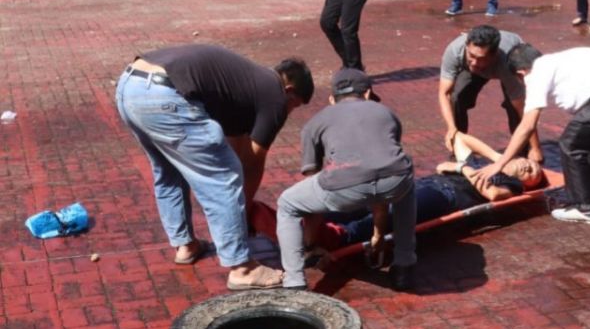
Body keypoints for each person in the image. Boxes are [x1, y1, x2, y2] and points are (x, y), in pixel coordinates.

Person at [114, 45, 313, 290]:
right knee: (223, 179)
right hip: (165, 94)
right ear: (290, 89)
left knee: (168, 172)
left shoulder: (244, 85)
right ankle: (242, 268)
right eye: (295, 105)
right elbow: (251, 164)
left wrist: (241, 209)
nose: (290, 111)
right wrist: (245, 213)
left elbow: (238, 145)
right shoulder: (275, 95)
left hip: (130, 85)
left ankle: (185, 245)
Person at [478, 44, 590, 224]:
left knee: (570, 144)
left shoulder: (537, 73)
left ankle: (584, 207)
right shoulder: (563, 59)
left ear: (521, 73)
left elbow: (527, 125)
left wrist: (500, 163)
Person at [277, 69, 415, 290]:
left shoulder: (316, 122)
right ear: (368, 94)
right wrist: (378, 233)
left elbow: (312, 187)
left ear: (332, 99)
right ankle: (404, 265)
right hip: (395, 180)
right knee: (405, 186)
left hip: (344, 185)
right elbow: (380, 171)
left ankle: (294, 282)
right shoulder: (386, 112)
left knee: (287, 204)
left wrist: (312, 243)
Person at [333, 131, 544, 248]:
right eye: (531, 165)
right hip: (426, 182)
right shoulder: (488, 164)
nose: (529, 168)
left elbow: (493, 194)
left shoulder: (512, 184)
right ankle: (322, 218)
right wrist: (499, 159)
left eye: (532, 175)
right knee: (372, 197)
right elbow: (460, 137)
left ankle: (340, 235)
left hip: (446, 196)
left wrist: (463, 167)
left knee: (396, 212)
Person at [438, 25, 542, 159]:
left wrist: (535, 148)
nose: (474, 62)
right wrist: (451, 128)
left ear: (494, 55)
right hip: (474, 71)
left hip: (508, 66)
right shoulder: (454, 51)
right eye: (471, 55)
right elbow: (444, 93)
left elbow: (522, 108)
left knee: (513, 106)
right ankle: (459, 144)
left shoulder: (508, 60)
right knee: (457, 97)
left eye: (480, 58)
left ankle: (522, 149)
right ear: (467, 46)